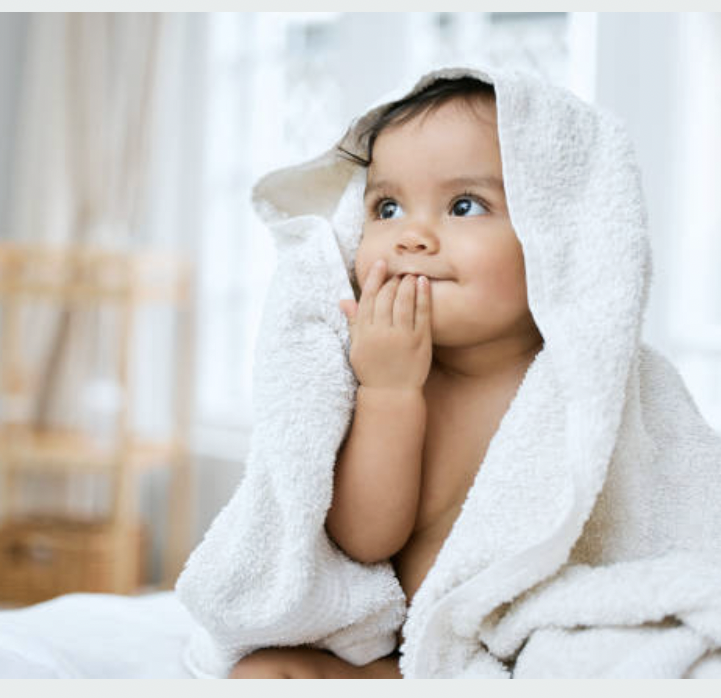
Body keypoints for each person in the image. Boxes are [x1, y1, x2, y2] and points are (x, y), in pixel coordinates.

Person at [230, 77, 539, 679]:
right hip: (409, 660)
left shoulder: (580, 384)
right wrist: (389, 390)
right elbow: (366, 540)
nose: (411, 236)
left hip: (529, 657)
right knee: (266, 674)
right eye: (387, 208)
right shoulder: (386, 371)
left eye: (465, 206)